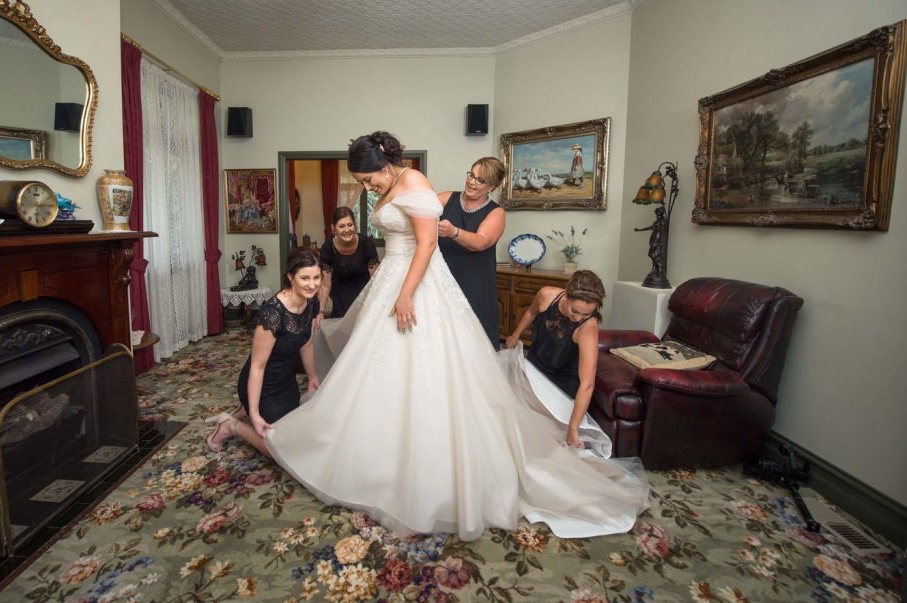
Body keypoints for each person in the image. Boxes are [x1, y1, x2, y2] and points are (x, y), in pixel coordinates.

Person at [265, 130, 648, 542]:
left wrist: (407, 293)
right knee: (378, 370)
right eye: (360, 182)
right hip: (393, 278)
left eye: (366, 179)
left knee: (428, 369)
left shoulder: (413, 181)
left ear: (384, 164)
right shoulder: (398, 185)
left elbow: (427, 244)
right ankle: (375, 454)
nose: (366, 186)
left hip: (416, 284)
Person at [205, 249, 322, 458]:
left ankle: (244, 410)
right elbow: (257, 367)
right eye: (305, 278)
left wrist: (312, 377)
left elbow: (306, 344)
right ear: (290, 277)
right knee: (277, 450)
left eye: (316, 277)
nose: (312, 284)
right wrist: (256, 413)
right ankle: (230, 425)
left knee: (298, 435)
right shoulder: (273, 314)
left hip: (286, 382)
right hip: (263, 383)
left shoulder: (311, 301)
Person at [503, 270, 613, 457]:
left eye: (586, 313)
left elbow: (587, 384)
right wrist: (515, 334)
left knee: (541, 441)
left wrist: (573, 427)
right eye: (575, 311)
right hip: (533, 368)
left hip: (559, 385)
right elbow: (530, 312)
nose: (578, 318)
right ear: (567, 294)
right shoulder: (547, 295)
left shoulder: (588, 327)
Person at [437, 157, 507, 349]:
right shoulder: (446, 198)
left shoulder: (496, 213)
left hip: (474, 281)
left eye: (480, 180)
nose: (471, 182)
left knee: (473, 338)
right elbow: (419, 212)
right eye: (471, 175)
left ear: (491, 187)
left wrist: (453, 232)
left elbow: (481, 242)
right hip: (442, 277)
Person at [318, 206, 379, 319]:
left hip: (364, 296)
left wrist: (376, 305)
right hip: (340, 298)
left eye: (350, 225)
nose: (347, 230)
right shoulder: (327, 248)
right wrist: (320, 312)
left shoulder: (367, 244)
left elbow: (375, 280)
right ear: (333, 228)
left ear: (354, 225)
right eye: (341, 226)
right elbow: (326, 284)